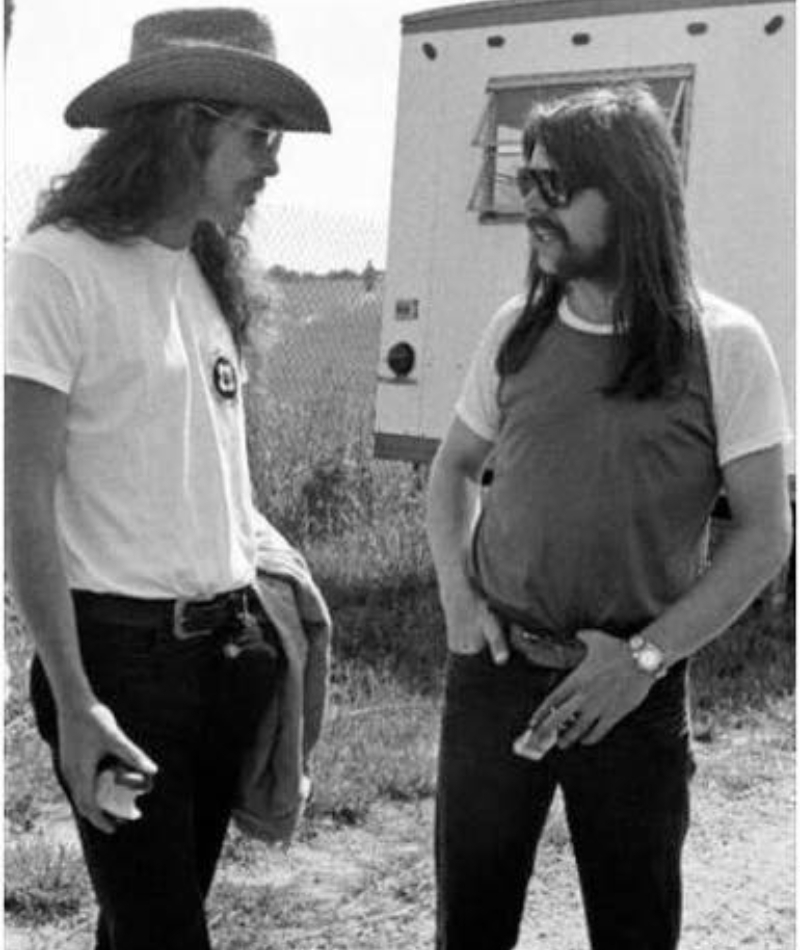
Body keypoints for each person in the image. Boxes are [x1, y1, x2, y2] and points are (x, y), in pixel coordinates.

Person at [426, 85, 792, 950]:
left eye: (557, 187)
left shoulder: (724, 345)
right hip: (497, 676)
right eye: (528, 182)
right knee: (468, 930)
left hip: (632, 690)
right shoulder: (515, 330)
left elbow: (765, 533)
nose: (532, 208)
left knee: (634, 930)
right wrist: (459, 599)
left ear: (628, 196)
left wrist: (643, 659)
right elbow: (452, 471)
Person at [5, 8, 330, 950]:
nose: (274, 164)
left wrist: (277, 607)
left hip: (228, 657)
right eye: (259, 135)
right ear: (189, 126)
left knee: (145, 923)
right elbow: (23, 496)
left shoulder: (205, 271)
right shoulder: (55, 269)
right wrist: (75, 699)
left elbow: (208, 475)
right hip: (121, 669)